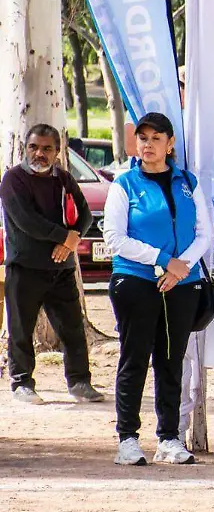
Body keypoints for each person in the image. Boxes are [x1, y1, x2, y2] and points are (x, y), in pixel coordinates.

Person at [104, 112, 213, 465]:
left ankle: (169, 437)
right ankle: (127, 439)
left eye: (155, 138)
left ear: (170, 144)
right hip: (135, 279)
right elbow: (115, 239)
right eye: (142, 138)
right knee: (134, 358)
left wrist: (180, 268)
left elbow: (204, 233)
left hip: (181, 282)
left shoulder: (187, 181)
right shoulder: (125, 184)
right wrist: (163, 259)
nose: (147, 145)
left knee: (171, 360)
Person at [2, 124, 103, 405]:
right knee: (21, 329)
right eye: (34, 147)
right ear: (25, 148)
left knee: (72, 329)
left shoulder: (63, 178)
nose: (40, 153)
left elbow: (84, 214)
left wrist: (72, 240)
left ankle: (80, 382)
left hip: (61, 270)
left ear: (58, 152)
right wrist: (65, 237)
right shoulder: (13, 179)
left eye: (47, 148)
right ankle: (22, 382)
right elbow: (26, 220)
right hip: (25, 268)